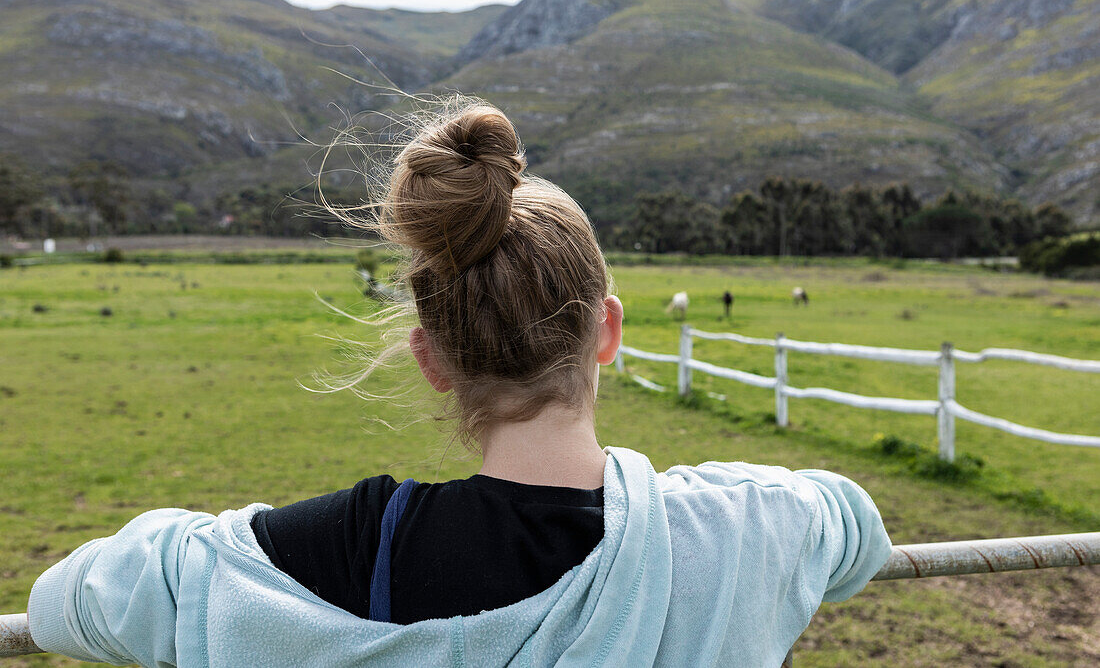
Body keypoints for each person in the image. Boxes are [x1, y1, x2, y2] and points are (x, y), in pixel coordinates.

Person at [26, 99, 891, 667]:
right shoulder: (742, 527)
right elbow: (851, 524)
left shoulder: (345, 553)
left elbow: (73, 597)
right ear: (609, 332)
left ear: (430, 358)